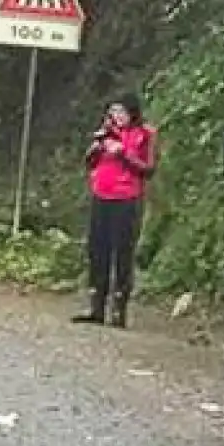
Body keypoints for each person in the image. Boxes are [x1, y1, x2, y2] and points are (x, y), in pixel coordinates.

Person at [75, 96, 157, 328]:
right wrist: (98, 146)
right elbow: (89, 162)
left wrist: (123, 154)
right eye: (113, 113)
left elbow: (148, 169)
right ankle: (96, 305)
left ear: (132, 113)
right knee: (97, 249)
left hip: (127, 199)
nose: (117, 117)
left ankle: (119, 308)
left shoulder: (145, 133)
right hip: (101, 195)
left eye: (121, 112)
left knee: (122, 252)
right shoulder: (106, 132)